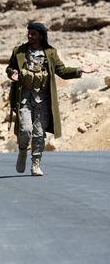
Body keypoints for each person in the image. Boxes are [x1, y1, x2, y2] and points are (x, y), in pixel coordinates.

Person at [6, 22, 97, 176]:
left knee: (39, 133)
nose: (30, 36)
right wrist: (12, 73)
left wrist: (80, 70)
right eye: (28, 33)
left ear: (41, 35)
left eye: (33, 34)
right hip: (24, 98)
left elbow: (61, 71)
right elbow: (10, 68)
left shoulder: (50, 52)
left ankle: (35, 164)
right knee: (26, 130)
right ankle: (22, 152)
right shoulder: (19, 51)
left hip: (43, 99)